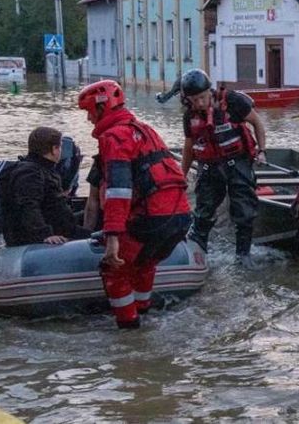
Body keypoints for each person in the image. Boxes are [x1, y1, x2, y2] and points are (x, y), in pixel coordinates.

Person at [79, 80, 193, 329]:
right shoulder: (144, 130)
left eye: (89, 112)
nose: (88, 119)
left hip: (152, 219)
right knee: (144, 264)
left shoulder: (113, 136)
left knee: (114, 270)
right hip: (179, 215)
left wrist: (112, 237)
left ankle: (129, 334)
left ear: (101, 108)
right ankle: (143, 312)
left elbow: (119, 191)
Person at [179, 69, 267, 263]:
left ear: (209, 91)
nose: (199, 103)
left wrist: (262, 150)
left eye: (202, 97)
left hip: (238, 162)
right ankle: (198, 253)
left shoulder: (234, 102)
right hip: (209, 166)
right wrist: (181, 175)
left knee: (244, 210)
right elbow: (188, 147)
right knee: (203, 211)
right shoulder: (190, 116)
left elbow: (257, 123)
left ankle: (243, 255)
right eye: (194, 100)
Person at [2, 127, 91, 247]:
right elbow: (28, 205)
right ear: (54, 149)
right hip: (44, 234)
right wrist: (44, 234)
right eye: (60, 147)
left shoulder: (44, 169)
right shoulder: (31, 172)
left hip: (62, 226)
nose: (60, 151)